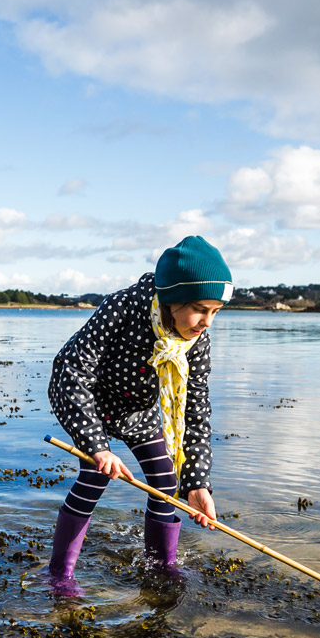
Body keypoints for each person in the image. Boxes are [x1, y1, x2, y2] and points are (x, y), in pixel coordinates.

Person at [45, 235, 230, 592]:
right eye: (201, 309)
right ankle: (60, 576)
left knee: (166, 484)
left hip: (139, 413)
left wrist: (197, 484)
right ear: (172, 299)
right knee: (95, 475)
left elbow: (195, 409)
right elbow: (71, 369)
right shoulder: (123, 307)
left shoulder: (196, 339)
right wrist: (97, 445)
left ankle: (161, 567)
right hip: (92, 406)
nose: (207, 321)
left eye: (216, 311)